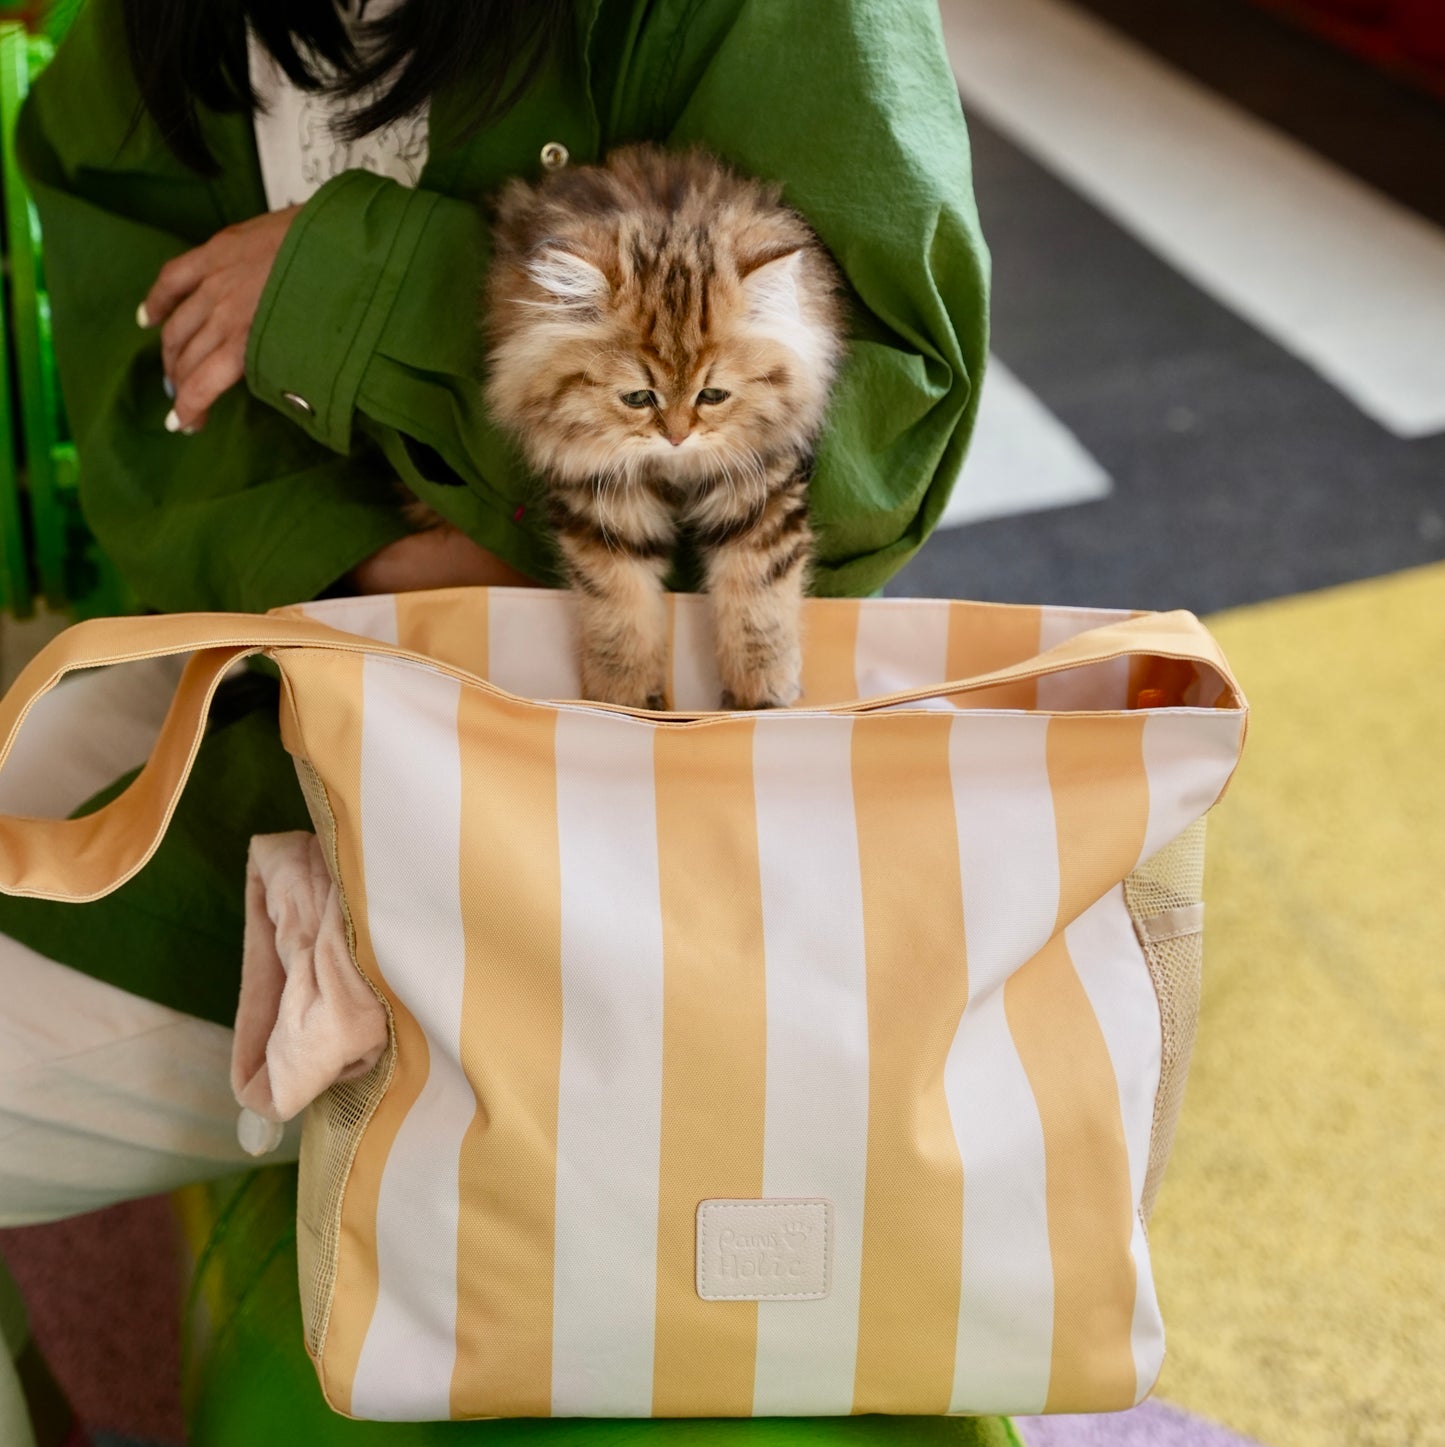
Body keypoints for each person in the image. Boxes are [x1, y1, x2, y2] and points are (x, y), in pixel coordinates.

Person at [0, 0, 988, 1440]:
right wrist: (421, 562)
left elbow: (866, 445)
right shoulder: (155, 36)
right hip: (295, 713)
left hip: (631, 817)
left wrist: (361, 283)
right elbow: (152, 441)